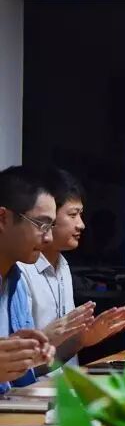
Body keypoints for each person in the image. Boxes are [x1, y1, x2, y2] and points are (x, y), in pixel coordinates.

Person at [19, 168, 125, 369]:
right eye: (73, 215)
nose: (81, 225)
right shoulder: (21, 270)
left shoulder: (63, 265)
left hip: (65, 381)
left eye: (81, 214)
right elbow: (22, 364)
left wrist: (99, 331)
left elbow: (64, 349)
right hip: (34, 386)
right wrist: (81, 338)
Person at [0, 166, 56, 390]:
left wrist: (32, 355)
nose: (49, 238)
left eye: (51, 226)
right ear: (3, 218)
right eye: (41, 225)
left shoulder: (17, 281)